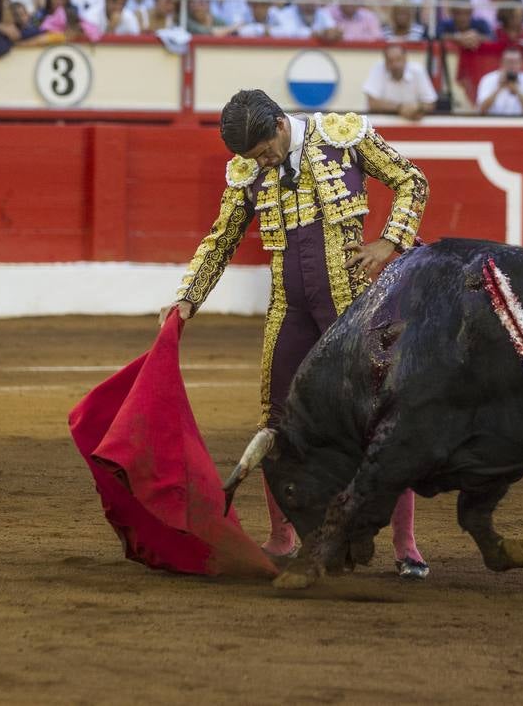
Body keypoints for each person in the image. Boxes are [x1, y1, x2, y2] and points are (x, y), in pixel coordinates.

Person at [159, 90, 432, 579]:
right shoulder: (249, 171)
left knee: (381, 416)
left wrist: (389, 241)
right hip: (290, 309)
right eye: (254, 158)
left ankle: (405, 543)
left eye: (265, 150)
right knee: (278, 419)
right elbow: (221, 238)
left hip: (351, 306)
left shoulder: (342, 136)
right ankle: (282, 534)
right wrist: (188, 298)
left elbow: (411, 179)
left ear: (282, 124)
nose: (262, 162)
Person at [363, 43, 437, 120]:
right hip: (383, 122)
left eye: (398, 59)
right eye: (390, 61)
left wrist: (418, 107)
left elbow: (431, 103)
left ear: (405, 59)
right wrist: (400, 107)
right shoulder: (378, 69)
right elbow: (372, 103)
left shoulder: (417, 71)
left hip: (412, 121)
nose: (395, 65)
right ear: (385, 62)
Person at [476, 48, 523, 116]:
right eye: (508, 62)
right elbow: (481, 110)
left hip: (520, 122)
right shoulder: (488, 79)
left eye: (515, 62)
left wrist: (517, 91)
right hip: (493, 122)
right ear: (501, 63)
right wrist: (499, 88)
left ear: (521, 64)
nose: (511, 66)